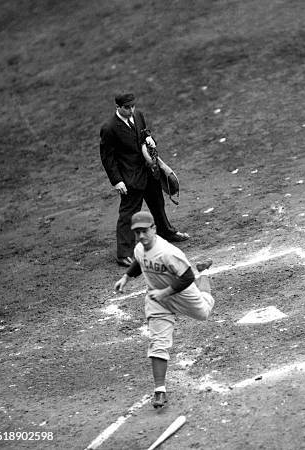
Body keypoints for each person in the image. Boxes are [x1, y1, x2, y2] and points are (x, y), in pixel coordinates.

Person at [114, 211, 215, 408]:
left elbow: (186, 278)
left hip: (181, 293)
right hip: (157, 300)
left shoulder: (168, 252)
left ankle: (203, 271)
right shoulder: (139, 249)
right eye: (137, 232)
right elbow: (139, 261)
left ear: (154, 229)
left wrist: (165, 292)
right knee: (158, 342)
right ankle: (159, 391)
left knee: (204, 312)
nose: (141, 236)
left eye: (144, 231)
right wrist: (126, 277)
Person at [100, 92, 189, 267]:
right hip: (130, 177)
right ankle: (124, 254)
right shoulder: (109, 128)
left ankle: (165, 231)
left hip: (149, 171)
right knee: (128, 213)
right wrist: (117, 181)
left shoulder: (138, 115)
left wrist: (150, 139)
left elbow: (144, 135)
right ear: (118, 107)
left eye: (132, 106)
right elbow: (107, 158)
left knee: (157, 203)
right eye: (127, 108)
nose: (131, 110)